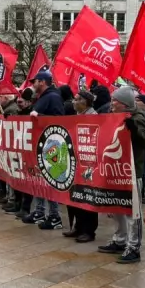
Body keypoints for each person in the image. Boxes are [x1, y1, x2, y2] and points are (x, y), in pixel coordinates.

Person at [97, 87, 145, 263]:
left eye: (115, 100)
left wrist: (133, 128)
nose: (112, 103)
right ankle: (120, 240)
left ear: (125, 104)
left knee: (132, 212)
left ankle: (133, 247)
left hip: (131, 171)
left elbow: (144, 142)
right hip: (115, 170)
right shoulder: (113, 117)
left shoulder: (137, 118)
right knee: (116, 208)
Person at [22, 70, 65, 229]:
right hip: (40, 143)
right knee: (39, 179)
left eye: (35, 81)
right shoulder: (44, 97)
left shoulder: (53, 97)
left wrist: (39, 115)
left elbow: (60, 120)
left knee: (50, 181)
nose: (33, 84)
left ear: (42, 82)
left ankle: (54, 216)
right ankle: (40, 211)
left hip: (51, 145)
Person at [64, 90, 99, 243]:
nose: (74, 102)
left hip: (88, 163)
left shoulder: (94, 117)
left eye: (78, 99)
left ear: (86, 102)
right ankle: (78, 226)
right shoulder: (76, 116)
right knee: (75, 196)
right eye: (74, 99)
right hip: (75, 161)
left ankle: (89, 231)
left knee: (87, 196)